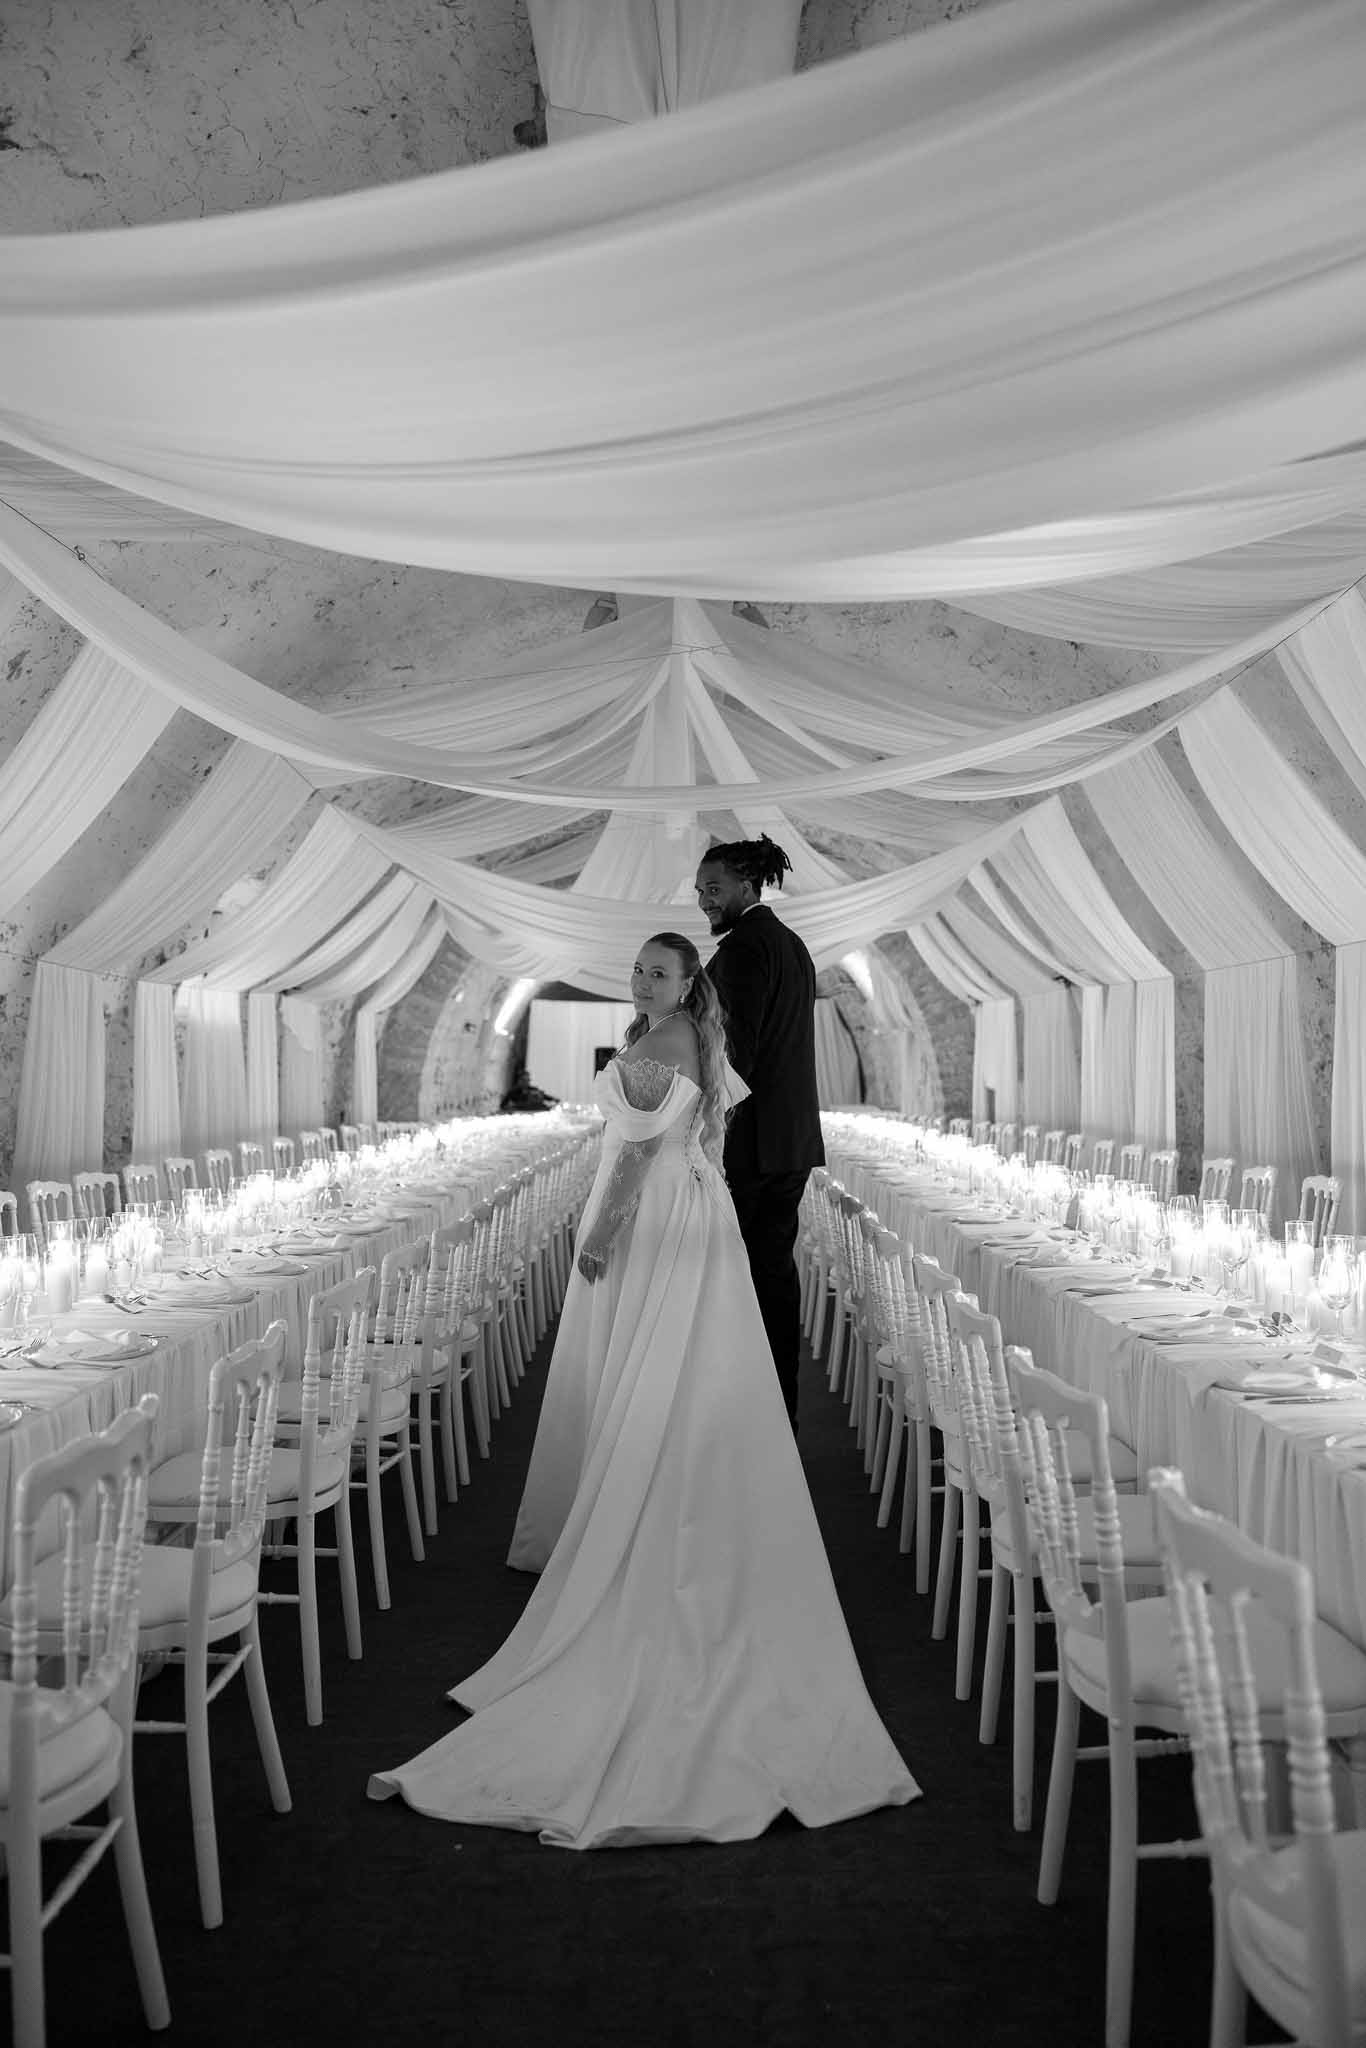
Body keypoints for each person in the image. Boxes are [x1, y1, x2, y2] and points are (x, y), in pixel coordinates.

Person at [368, 931, 918, 1848]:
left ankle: (641, 1493)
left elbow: (628, 1158)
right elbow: (709, 1130)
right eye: (638, 970)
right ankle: (674, 1476)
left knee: (646, 1357)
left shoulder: (661, 1042)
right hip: (695, 1208)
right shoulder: (698, 1035)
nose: (643, 981)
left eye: (659, 972)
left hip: (651, 1215)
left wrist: (601, 1237)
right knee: (691, 1359)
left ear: (687, 979)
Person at [696, 834, 824, 1426]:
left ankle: (765, 1416)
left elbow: (734, 1049)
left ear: (748, 884)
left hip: (755, 1141)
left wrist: (697, 1115)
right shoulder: (790, 944)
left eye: (714, 888)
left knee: (754, 1277)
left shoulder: (747, 948)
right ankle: (777, 1410)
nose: (705, 900)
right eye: (700, 891)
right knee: (771, 1269)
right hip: (786, 1139)